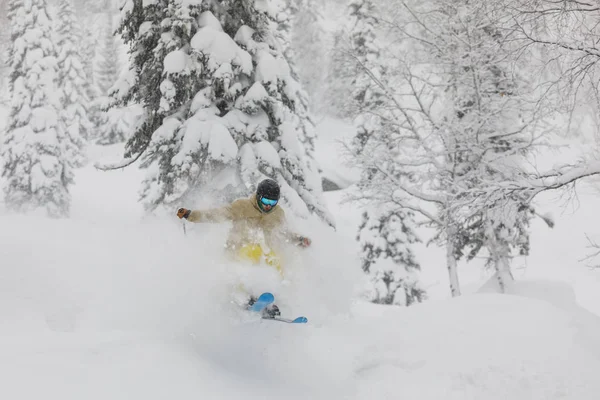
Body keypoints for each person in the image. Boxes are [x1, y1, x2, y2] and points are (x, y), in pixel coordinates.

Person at [176, 178, 311, 317]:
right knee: (252, 252)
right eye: (265, 201)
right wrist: (191, 215)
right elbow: (216, 214)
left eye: (272, 203)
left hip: (263, 253)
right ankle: (244, 295)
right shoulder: (242, 206)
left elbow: (283, 233)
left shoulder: (278, 214)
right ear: (258, 196)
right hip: (237, 251)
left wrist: (299, 240)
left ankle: (269, 298)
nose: (268, 207)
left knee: (276, 260)